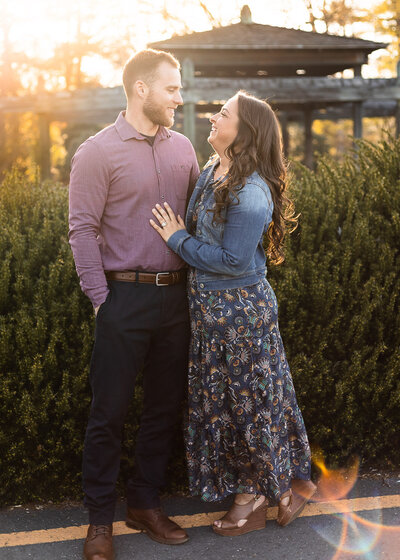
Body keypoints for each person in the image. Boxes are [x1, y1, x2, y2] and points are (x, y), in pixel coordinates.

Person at [150, 90, 316, 537]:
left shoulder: (253, 191)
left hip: (241, 317)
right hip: (210, 315)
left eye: (223, 113)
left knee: (249, 406)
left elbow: (233, 261)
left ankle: (255, 495)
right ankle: (281, 487)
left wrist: (176, 239)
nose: (213, 116)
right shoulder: (214, 169)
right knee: (226, 405)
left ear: (244, 132)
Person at [69, 49, 199, 560]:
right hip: (122, 297)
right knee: (109, 413)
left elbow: (199, 219)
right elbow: (82, 229)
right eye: (172, 88)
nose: (179, 98)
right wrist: (102, 300)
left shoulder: (185, 148)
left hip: (177, 299)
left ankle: (144, 504)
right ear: (141, 89)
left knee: (164, 409)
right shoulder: (97, 152)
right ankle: (99, 521)